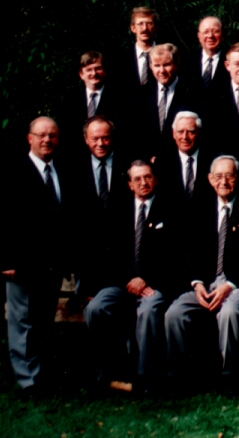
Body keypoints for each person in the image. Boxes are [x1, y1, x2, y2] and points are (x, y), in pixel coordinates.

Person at [83, 160, 181, 395]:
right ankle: (106, 372)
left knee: (148, 310)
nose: (143, 182)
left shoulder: (171, 210)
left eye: (147, 177)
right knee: (96, 308)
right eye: (137, 179)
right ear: (129, 184)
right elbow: (106, 254)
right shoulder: (116, 211)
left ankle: (144, 377)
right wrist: (129, 280)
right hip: (122, 284)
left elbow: (175, 256)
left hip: (155, 284)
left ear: (155, 180)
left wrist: (146, 279)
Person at [0, 117, 78, 398]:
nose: (47, 140)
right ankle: (27, 380)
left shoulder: (62, 170)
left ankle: (41, 374)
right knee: (22, 320)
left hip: (51, 263)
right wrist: (7, 260)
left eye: (52, 135)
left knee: (43, 320)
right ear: (29, 138)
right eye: (42, 135)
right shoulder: (14, 171)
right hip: (21, 262)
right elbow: (3, 218)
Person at [164, 155, 239, 393]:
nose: (223, 182)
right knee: (175, 313)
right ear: (209, 179)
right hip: (205, 283)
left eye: (229, 176)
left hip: (236, 284)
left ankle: (229, 374)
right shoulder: (199, 209)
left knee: (229, 311)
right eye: (218, 176)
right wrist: (197, 284)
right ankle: (179, 375)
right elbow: (188, 254)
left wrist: (230, 285)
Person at [128, 43, 205, 161]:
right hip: (149, 162)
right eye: (157, 65)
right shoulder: (141, 94)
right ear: (150, 66)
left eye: (166, 65)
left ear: (176, 64)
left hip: (179, 162)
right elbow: (135, 132)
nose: (162, 70)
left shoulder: (193, 93)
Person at [154, 111, 217, 207]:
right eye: (180, 132)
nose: (185, 137)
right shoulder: (162, 163)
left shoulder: (213, 162)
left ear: (199, 133)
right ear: (174, 134)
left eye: (191, 132)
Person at [114, 7, 161, 92]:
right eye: (140, 24)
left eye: (149, 23)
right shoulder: (120, 58)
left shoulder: (167, 55)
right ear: (133, 28)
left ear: (156, 27)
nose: (145, 28)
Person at [184, 16, 229, 90]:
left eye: (215, 31)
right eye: (206, 32)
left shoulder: (232, 61)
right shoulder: (187, 61)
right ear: (199, 36)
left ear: (223, 35)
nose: (210, 35)